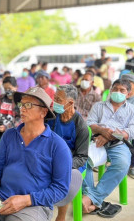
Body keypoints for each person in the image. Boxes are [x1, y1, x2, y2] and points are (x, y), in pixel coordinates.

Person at [0, 87, 72, 221]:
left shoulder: (58, 146)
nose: (22, 109)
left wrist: (27, 200)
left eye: (28, 105)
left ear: (43, 112)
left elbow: (60, 189)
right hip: (0, 198)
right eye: (21, 104)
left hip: (35, 205)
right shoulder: (9, 135)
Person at [83, 79, 134, 217]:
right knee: (82, 159)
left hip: (119, 144)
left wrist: (108, 135)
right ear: (110, 91)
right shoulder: (99, 106)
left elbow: (132, 132)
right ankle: (91, 197)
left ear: (128, 94)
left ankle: (91, 198)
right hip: (97, 140)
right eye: (115, 89)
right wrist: (102, 131)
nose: (118, 92)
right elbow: (90, 123)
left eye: (122, 90)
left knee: (122, 164)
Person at [47, 85, 89, 221]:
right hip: (52, 157)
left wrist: (64, 165)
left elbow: (82, 157)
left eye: (58, 99)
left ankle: (61, 216)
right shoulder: (53, 117)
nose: (55, 102)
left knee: (64, 178)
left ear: (70, 103)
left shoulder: (80, 125)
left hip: (72, 162)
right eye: (54, 98)